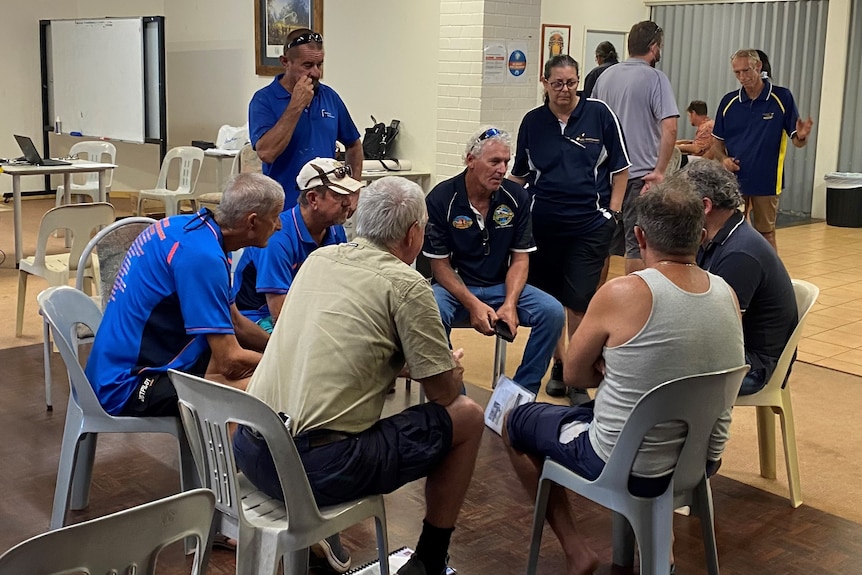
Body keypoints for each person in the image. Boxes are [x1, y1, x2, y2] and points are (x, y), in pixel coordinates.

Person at [235, 176, 485, 575]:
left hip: (251, 451)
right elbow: (441, 395)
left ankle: (318, 548)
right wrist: (449, 369)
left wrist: (408, 363)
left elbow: (345, 347)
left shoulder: (319, 260)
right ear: (413, 233)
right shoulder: (407, 285)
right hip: (312, 471)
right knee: (468, 415)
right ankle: (431, 560)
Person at [503, 179, 744, 575]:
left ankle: (576, 550)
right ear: (701, 236)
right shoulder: (727, 294)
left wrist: (612, 365)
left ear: (638, 236)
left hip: (622, 462)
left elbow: (577, 375)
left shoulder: (622, 293)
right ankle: (655, 550)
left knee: (514, 420)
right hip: (699, 463)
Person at [85, 173, 283, 417]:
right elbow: (229, 359)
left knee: (258, 373)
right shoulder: (203, 258)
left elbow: (234, 322)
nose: (279, 226)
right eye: (275, 217)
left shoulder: (192, 230)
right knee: (265, 392)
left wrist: (281, 348)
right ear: (252, 222)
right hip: (124, 385)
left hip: (110, 366)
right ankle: (230, 454)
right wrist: (286, 365)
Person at [510, 55, 630, 404]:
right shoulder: (533, 122)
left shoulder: (600, 115)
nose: (565, 90)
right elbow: (520, 174)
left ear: (579, 81)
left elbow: (620, 169)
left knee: (578, 304)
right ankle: (561, 366)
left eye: (571, 82)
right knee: (549, 304)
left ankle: (578, 376)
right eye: (558, 83)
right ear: (544, 83)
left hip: (589, 225)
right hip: (543, 224)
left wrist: (614, 214)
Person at [423, 127, 565, 394]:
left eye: (506, 162)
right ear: (470, 160)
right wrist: (473, 304)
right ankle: (453, 396)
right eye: (494, 162)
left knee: (553, 312)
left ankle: (519, 396)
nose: (502, 169)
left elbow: (520, 259)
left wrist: (510, 304)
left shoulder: (517, 197)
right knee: (432, 312)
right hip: (455, 288)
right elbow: (439, 267)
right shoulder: (442, 199)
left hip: (501, 288)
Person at [686, 160, 797, 396]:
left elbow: (719, 329)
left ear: (705, 206)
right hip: (741, 352)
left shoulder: (739, 253)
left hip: (755, 366)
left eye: (683, 202)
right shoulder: (717, 236)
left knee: (662, 371)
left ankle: (691, 433)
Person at [593, 20, 680, 275]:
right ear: (653, 47)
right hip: (640, 177)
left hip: (606, 177)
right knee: (637, 245)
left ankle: (596, 305)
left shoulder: (605, 76)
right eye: (660, 46)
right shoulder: (656, 78)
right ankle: (637, 308)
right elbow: (670, 128)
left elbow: (595, 122)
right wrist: (660, 171)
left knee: (603, 246)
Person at [232, 158, 359, 331]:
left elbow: (340, 287)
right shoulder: (277, 239)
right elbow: (280, 314)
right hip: (258, 317)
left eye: (348, 195)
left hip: (305, 308)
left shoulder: (335, 229)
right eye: (338, 196)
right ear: (313, 198)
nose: (348, 203)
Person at [249, 28, 362, 210]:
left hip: (326, 212)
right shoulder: (264, 100)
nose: (316, 73)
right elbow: (267, 153)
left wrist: (353, 191)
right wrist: (296, 105)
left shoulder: (329, 96)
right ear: (285, 62)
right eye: (308, 65)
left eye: (320, 64)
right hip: (284, 211)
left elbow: (354, 145)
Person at [711, 48, 814, 250]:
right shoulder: (728, 102)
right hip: (734, 179)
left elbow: (797, 141)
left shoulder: (781, 97)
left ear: (758, 67)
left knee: (765, 234)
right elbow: (717, 143)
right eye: (737, 72)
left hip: (766, 180)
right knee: (729, 232)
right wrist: (723, 160)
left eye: (746, 71)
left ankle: (770, 279)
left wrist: (801, 137)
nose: (742, 77)